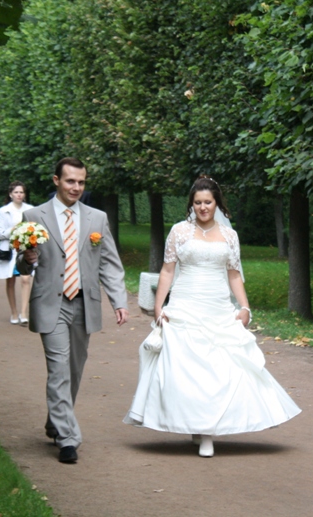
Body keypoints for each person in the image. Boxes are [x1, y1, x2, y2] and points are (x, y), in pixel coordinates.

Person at [123, 176, 301, 458]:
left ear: (216, 203)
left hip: (217, 305)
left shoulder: (229, 236)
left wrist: (244, 307)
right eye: (197, 203)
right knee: (189, 370)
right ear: (191, 205)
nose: (203, 207)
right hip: (185, 303)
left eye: (207, 202)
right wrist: (160, 307)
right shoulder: (179, 232)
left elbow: (234, 274)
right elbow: (168, 271)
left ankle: (207, 432)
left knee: (215, 369)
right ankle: (199, 429)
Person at [18, 157, 128, 464]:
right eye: (70, 181)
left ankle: (55, 422)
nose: (76, 187)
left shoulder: (97, 219)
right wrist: (27, 258)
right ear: (56, 180)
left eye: (81, 182)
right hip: (50, 303)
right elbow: (22, 264)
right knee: (58, 370)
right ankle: (68, 438)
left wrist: (119, 300)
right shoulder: (33, 215)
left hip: (84, 303)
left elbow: (109, 263)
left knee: (74, 370)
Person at [0, 181, 34, 325]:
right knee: (11, 280)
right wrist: (13, 229)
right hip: (9, 250)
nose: (19, 195)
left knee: (26, 279)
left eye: (21, 192)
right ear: (10, 194)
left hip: (25, 250)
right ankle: (14, 311)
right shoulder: (3, 210)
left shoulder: (31, 209)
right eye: (16, 192)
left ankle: (24, 312)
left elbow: (35, 230)